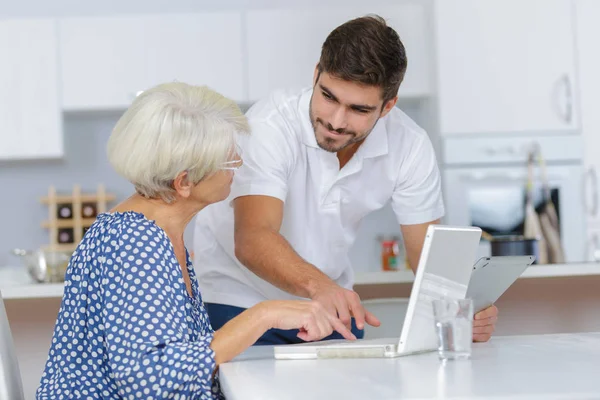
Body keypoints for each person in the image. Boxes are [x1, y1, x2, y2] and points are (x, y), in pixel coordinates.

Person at [36, 83, 354, 400]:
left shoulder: (153, 232)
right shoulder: (135, 243)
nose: (239, 165)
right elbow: (151, 381)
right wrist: (265, 314)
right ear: (184, 182)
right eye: (229, 160)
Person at [194, 15, 498, 345]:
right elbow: (253, 237)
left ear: (388, 107)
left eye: (358, 109)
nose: (336, 121)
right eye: (328, 96)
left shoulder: (410, 145)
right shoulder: (269, 125)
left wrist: (460, 307)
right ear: (316, 75)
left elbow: (426, 255)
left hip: (329, 305)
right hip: (237, 300)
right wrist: (319, 286)